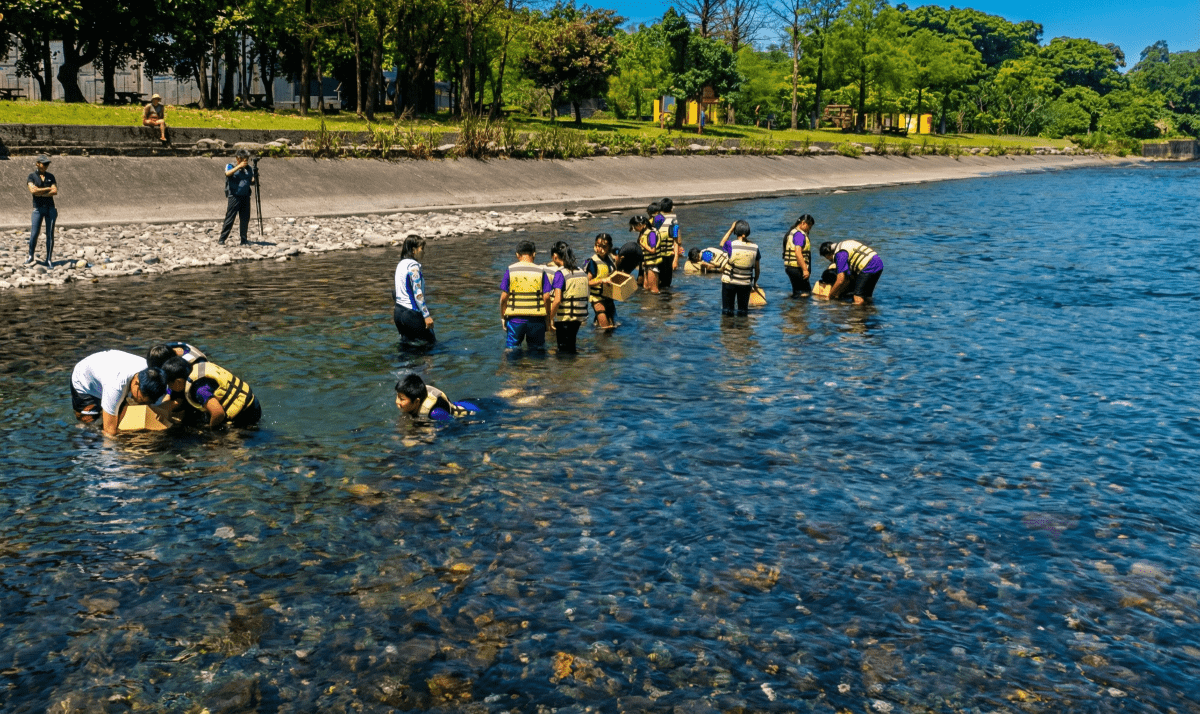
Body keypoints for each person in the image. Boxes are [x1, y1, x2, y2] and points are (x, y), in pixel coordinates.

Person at [70, 350, 169, 436]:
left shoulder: (155, 377)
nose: (142, 404)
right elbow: (109, 431)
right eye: (141, 400)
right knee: (91, 427)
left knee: (116, 417)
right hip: (86, 383)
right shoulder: (115, 386)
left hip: (108, 375)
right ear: (136, 383)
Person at [171, 358, 262, 429]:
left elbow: (218, 413)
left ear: (178, 381)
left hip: (243, 416)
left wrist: (212, 431)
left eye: (169, 384)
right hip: (253, 402)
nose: (169, 388)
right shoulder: (199, 368)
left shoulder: (198, 390)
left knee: (216, 445)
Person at [499, 241, 551, 350]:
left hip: (515, 319)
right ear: (534, 254)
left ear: (517, 255)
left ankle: (511, 367)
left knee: (511, 350)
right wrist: (547, 320)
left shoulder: (511, 270)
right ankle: (535, 367)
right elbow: (546, 297)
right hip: (537, 319)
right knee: (537, 351)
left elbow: (503, 298)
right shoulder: (541, 271)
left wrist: (503, 318)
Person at [547, 241, 590, 354]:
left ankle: (568, 369)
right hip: (578, 318)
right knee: (571, 346)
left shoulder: (560, 274)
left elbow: (557, 300)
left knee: (563, 351)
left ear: (555, 256)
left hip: (565, 319)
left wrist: (549, 319)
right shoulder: (581, 271)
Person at [393, 235, 436, 346]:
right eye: (422, 249)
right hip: (411, 314)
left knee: (406, 347)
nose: (424, 252)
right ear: (413, 250)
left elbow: (396, 292)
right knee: (430, 345)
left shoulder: (400, 264)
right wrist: (426, 316)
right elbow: (418, 293)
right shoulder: (413, 266)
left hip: (398, 313)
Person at [817, 240, 883, 304]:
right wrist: (838, 293)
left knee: (857, 297)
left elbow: (841, 279)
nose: (829, 260)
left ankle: (857, 314)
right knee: (866, 295)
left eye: (827, 258)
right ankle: (868, 310)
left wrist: (829, 296)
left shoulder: (839, 254)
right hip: (878, 263)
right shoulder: (843, 246)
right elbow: (847, 280)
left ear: (828, 254)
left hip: (868, 265)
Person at [719, 220, 761, 316]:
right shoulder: (755, 247)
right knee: (743, 311)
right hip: (745, 283)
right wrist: (754, 283)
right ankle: (743, 329)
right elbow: (757, 270)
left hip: (729, 282)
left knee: (727, 311)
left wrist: (730, 229)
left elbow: (722, 243)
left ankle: (727, 329)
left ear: (736, 232)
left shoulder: (731, 245)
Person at [395, 374, 478, 421]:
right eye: (397, 397)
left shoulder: (436, 413)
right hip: (458, 404)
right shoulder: (412, 405)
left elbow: (452, 427)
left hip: (471, 412)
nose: (397, 402)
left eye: (402, 399)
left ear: (417, 402)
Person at [219, 148, 255, 245]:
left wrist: (254, 179)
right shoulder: (230, 165)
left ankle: (244, 239)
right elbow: (227, 173)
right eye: (244, 159)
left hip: (246, 196)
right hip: (234, 196)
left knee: (245, 218)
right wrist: (238, 167)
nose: (246, 161)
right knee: (230, 218)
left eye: (247, 159)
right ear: (238, 158)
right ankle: (222, 239)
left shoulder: (249, 168)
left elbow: (250, 181)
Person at [26, 154, 57, 266]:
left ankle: (48, 259)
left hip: (50, 209)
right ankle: (30, 256)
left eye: (47, 164)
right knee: (34, 233)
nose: (46, 166)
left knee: (50, 234)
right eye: (44, 163)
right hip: (38, 209)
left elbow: (54, 191)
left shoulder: (51, 176)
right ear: (37, 163)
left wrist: (41, 192)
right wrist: (47, 189)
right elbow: (33, 191)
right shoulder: (31, 176)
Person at [585, 233, 618, 330]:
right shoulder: (592, 262)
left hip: (609, 297)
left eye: (604, 246)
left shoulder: (611, 259)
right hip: (597, 298)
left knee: (613, 325)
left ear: (609, 247)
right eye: (598, 246)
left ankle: (595, 331)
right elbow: (587, 282)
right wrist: (602, 280)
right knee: (606, 328)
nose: (600, 249)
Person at [783, 214, 815, 298]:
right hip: (796, 268)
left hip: (792, 268)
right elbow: (798, 252)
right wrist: (805, 270)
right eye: (809, 226)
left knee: (798, 292)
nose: (809, 229)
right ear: (803, 223)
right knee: (804, 293)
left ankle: (794, 308)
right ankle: (798, 309)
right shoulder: (799, 235)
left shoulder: (793, 232)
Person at [631, 214, 661, 294]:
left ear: (640, 225)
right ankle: (648, 305)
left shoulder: (651, 234)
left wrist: (642, 244)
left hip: (652, 266)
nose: (634, 229)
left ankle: (658, 305)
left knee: (654, 290)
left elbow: (653, 250)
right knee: (646, 287)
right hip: (646, 265)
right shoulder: (644, 233)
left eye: (634, 227)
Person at [658, 198, 683, 287]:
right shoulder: (673, 221)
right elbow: (676, 240)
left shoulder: (656, 218)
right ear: (671, 208)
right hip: (668, 255)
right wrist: (675, 259)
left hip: (656, 254)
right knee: (666, 283)